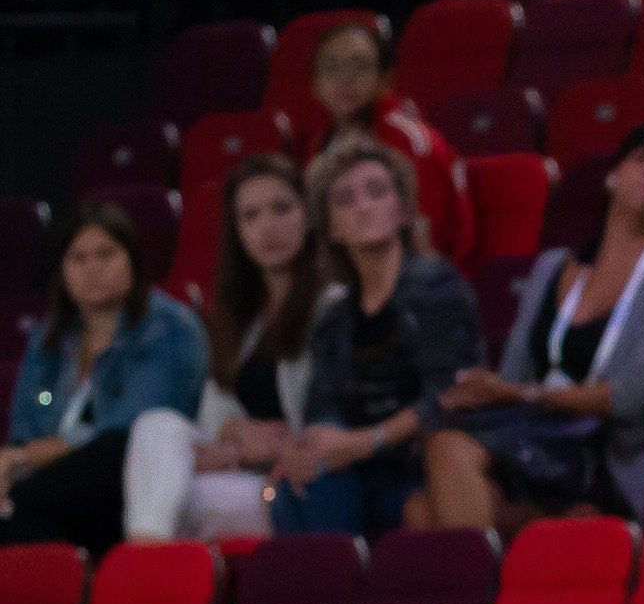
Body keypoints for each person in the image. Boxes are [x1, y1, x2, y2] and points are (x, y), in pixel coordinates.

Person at [419, 121, 644, 531]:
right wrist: (486, 390)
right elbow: (513, 376)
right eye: (643, 157)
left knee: (450, 456)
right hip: (536, 441)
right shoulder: (552, 267)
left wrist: (519, 393)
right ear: (613, 176)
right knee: (418, 506)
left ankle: (494, 574)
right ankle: (497, 574)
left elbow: (626, 399)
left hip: (603, 458)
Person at [272, 137, 481, 537]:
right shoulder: (332, 318)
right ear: (330, 226)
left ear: (402, 210)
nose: (363, 207)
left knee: (323, 488)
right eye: (346, 200)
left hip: (421, 466)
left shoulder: (438, 289)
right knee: (297, 484)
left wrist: (362, 443)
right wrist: (308, 447)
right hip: (357, 469)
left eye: (376, 192)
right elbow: (323, 409)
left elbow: (449, 398)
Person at [123, 156, 324, 543]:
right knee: (157, 425)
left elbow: (333, 418)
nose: (268, 226)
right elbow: (213, 427)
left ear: (309, 215)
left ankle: (142, 570)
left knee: (171, 508)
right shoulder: (240, 321)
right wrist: (234, 436)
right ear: (238, 233)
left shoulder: (331, 307)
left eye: (281, 209)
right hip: (242, 478)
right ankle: (146, 554)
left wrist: (267, 445)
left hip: (287, 487)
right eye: (250, 216)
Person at [0, 202, 205, 553]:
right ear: (62, 271)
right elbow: (25, 429)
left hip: (128, 481)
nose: (92, 268)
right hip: (55, 485)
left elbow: (125, 432)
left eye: (105, 254)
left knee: (25, 504)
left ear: (132, 260)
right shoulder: (49, 339)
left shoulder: (169, 328)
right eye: (77, 259)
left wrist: (21, 459)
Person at [301, 20, 473, 266]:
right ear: (314, 85)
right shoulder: (321, 144)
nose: (345, 78)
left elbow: (429, 240)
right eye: (331, 67)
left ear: (385, 81)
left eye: (359, 66)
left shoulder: (410, 141)